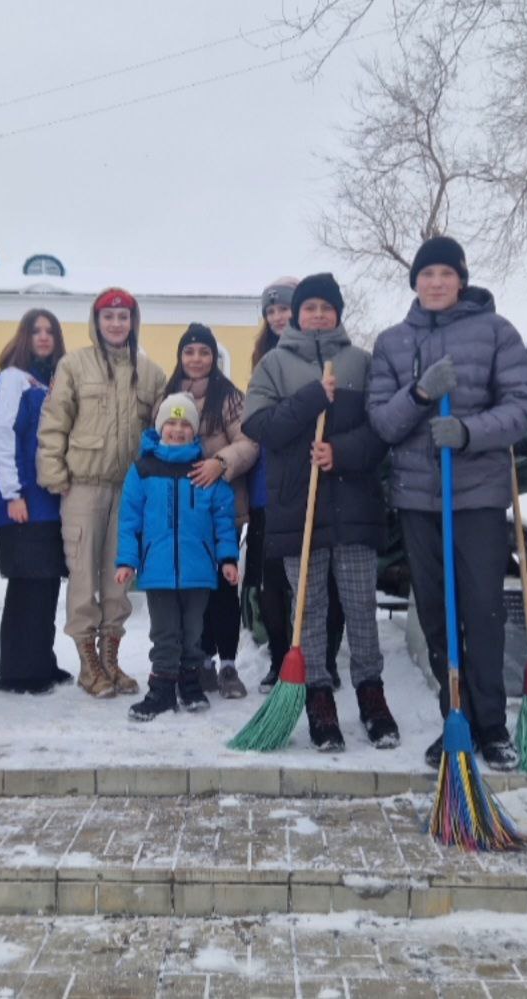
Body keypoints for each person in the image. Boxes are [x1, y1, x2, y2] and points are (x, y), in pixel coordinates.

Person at [368, 237, 527, 770]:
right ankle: (455, 719)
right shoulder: (393, 342)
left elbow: (522, 408)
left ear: (461, 279)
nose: (436, 282)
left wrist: (466, 431)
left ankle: (492, 726)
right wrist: (419, 393)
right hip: (419, 500)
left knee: (483, 611)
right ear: (414, 282)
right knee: (438, 616)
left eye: (446, 273)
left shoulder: (496, 331)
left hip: (478, 497)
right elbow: (383, 423)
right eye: (427, 274)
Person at [243, 272, 399, 752]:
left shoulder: (361, 361)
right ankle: (318, 699)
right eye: (308, 307)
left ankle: (372, 696)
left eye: (325, 308)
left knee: (359, 609)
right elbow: (259, 425)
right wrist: (312, 399)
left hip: (353, 507)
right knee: (307, 611)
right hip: (299, 508)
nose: (316, 315)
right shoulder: (274, 363)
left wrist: (340, 452)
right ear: (295, 313)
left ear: (337, 314)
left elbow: (381, 429)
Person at [37, 287, 166, 698]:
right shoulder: (74, 365)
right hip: (84, 487)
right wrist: (54, 473)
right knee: (82, 574)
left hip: (128, 491)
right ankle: (88, 662)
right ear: (97, 322)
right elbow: (55, 420)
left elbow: (163, 432)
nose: (116, 324)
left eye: (123, 317)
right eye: (108, 317)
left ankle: (111, 656)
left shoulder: (150, 374)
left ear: (133, 322)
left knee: (118, 575)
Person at [246, 279, 346, 694]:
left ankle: (322, 658)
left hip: (318, 478)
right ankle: (280, 656)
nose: (279, 317)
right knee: (271, 576)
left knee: (323, 580)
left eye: (285, 308)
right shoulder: (266, 362)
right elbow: (259, 422)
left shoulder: (333, 357)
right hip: (272, 483)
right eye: (271, 312)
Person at [116, 394, 239, 720]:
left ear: (194, 431)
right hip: (157, 570)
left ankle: (189, 683)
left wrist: (227, 558)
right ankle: (161, 690)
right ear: (160, 427)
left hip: (198, 570)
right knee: (165, 632)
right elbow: (130, 519)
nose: (178, 430)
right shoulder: (143, 470)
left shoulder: (204, 470)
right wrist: (127, 561)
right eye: (171, 422)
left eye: (185, 424)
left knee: (193, 632)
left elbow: (223, 519)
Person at [162, 323, 258, 698]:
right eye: (190, 352)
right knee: (193, 587)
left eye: (204, 352)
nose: (197, 359)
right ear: (181, 357)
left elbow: (249, 441)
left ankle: (229, 664)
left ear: (213, 358)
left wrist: (221, 462)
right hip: (183, 512)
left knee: (222, 585)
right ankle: (200, 660)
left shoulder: (230, 397)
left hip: (223, 509)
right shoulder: (168, 395)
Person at [0, 309, 72, 693]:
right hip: (24, 501)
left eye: (49, 331)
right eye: (35, 331)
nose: (43, 337)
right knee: (27, 586)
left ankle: (42, 659)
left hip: (50, 501)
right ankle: (19, 671)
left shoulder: (49, 380)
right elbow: (2, 435)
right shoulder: (12, 380)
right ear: (24, 337)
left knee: (47, 583)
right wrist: (12, 493)